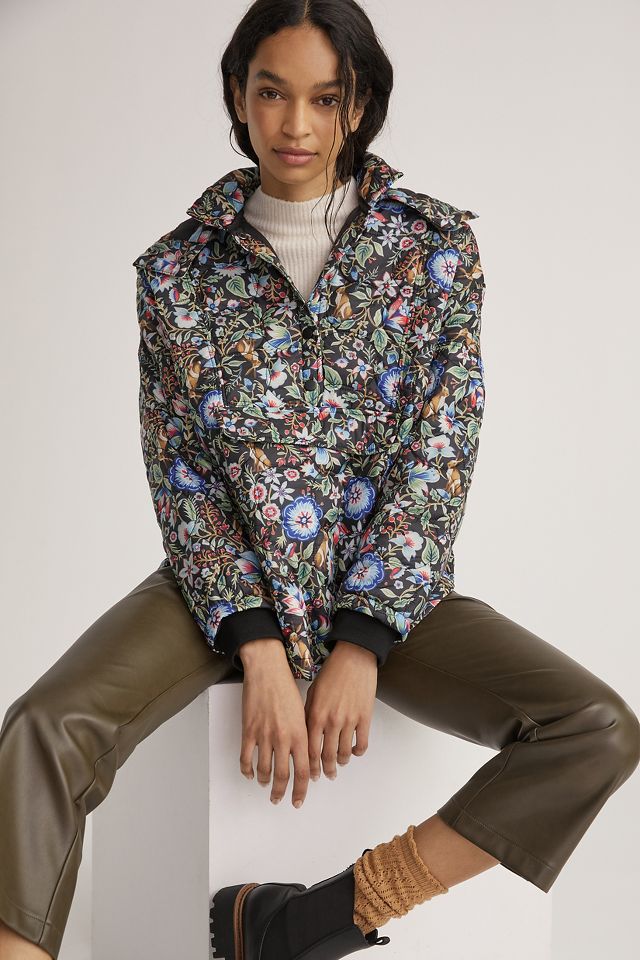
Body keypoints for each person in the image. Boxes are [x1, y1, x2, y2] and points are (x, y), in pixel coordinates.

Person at [2, 1, 639, 958]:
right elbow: (181, 475)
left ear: (359, 104)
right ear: (238, 96)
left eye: (324, 98)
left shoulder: (434, 249)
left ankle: (318, 921)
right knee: (41, 728)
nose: (295, 125)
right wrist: (256, 643)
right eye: (272, 93)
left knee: (595, 726)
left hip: (384, 587)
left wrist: (364, 640)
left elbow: (438, 453)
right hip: (218, 587)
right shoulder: (174, 273)